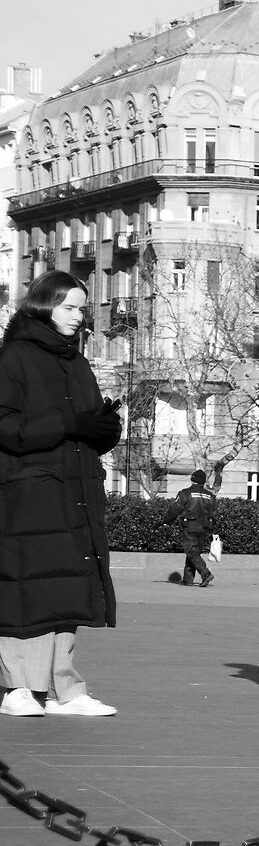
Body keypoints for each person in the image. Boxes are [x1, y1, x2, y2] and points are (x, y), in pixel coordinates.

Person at [0, 272, 122, 717]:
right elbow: (5, 426)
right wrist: (67, 423)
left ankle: (63, 690)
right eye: (69, 307)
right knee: (26, 589)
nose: (78, 316)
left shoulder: (77, 361)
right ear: (43, 305)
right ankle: (17, 688)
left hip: (77, 490)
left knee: (68, 586)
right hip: (29, 491)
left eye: (81, 308)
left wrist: (105, 428)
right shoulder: (13, 357)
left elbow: (85, 428)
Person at [171, 470, 220, 587]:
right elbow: (214, 514)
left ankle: (206, 573)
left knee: (191, 552)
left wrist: (165, 520)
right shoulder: (210, 496)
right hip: (204, 528)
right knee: (194, 552)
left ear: (192, 479)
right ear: (203, 481)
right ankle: (188, 580)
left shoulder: (185, 493)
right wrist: (214, 528)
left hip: (189, 526)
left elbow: (175, 509)